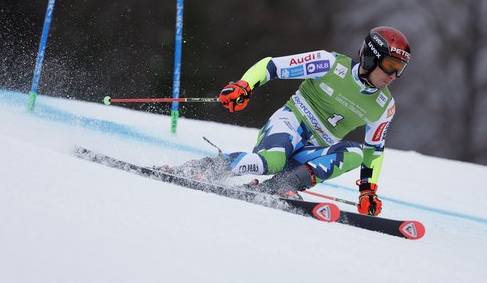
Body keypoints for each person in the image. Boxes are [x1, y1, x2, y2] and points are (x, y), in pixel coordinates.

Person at [174, 26, 410, 216]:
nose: (392, 75)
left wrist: (368, 190)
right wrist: (244, 85)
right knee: (272, 161)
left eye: (399, 69)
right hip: (290, 124)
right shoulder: (329, 63)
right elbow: (272, 66)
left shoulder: (384, 106)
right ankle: (202, 168)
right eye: (390, 65)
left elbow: (374, 150)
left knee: (356, 153)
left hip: (313, 150)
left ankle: (281, 185)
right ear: (370, 57)